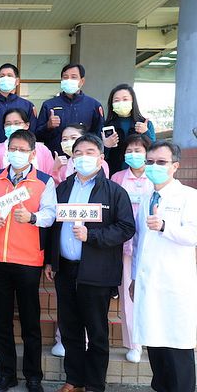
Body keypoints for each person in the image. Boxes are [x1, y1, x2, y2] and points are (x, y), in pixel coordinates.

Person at [45, 134, 135, 392]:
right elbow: (53, 226)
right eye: (78, 153)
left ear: (101, 157)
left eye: (90, 152)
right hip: (65, 269)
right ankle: (74, 380)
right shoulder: (63, 188)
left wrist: (92, 236)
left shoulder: (114, 192)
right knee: (69, 328)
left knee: (96, 332)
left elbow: (126, 228)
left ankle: (94, 384)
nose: (83, 157)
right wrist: (51, 260)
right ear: (72, 158)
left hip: (97, 271)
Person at [0, 129, 56, 392]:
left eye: (22, 150)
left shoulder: (44, 181)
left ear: (33, 154)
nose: (16, 153)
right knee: (0, 321)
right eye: (13, 148)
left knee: (30, 322)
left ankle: (33, 376)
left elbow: (51, 214)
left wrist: (32, 218)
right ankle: (6, 374)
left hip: (27, 259)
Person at [130, 140, 197, 392]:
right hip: (149, 282)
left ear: (175, 166)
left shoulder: (189, 196)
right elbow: (139, 242)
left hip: (174, 285)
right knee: (156, 347)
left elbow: (193, 235)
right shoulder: (147, 197)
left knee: (176, 347)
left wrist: (165, 226)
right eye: (150, 162)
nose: (154, 166)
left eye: (161, 162)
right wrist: (134, 278)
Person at [110, 134, 153, 363]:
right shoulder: (117, 178)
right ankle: (134, 343)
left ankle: (149, 340)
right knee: (128, 296)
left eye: (138, 150)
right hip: (124, 245)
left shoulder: (155, 177)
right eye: (129, 150)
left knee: (148, 295)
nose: (133, 154)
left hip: (150, 246)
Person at [35, 64, 104, 156]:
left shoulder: (93, 105)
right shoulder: (49, 105)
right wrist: (48, 126)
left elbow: (99, 136)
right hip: (56, 157)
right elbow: (37, 136)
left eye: (73, 77)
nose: (69, 80)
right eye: (65, 77)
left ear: (82, 81)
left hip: (83, 158)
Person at [0, 108, 54, 181]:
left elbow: (49, 178)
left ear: (27, 125)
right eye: (8, 124)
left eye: (17, 123)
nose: (12, 126)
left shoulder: (42, 149)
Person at [103, 84, 156, 175]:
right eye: (116, 100)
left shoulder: (145, 124)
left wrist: (146, 132)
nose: (121, 103)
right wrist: (106, 146)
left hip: (141, 174)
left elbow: (154, 150)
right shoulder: (106, 126)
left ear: (132, 101)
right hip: (114, 173)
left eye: (125, 99)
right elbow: (99, 155)